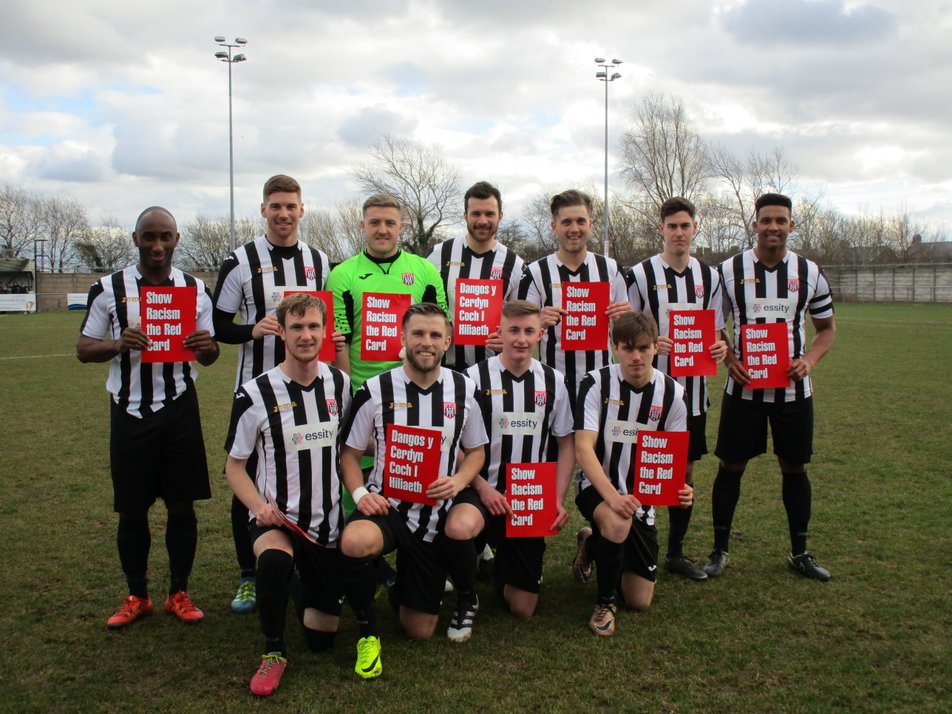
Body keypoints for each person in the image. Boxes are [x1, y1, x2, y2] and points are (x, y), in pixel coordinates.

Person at [225, 293, 380, 696]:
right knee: (274, 559)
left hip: (326, 525)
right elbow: (234, 467)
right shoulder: (255, 393)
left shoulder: (340, 383)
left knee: (322, 636)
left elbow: (354, 446)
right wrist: (259, 507)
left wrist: (396, 446)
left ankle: (300, 586)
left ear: (325, 332)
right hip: (278, 518)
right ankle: (273, 651)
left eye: (313, 326)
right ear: (283, 332)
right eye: (297, 327)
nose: (306, 335)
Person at [77, 206, 219, 630]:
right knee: (132, 509)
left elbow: (210, 356)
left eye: (165, 237)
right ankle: (137, 594)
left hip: (178, 404)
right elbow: (84, 348)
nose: (157, 246)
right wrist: (118, 345)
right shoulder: (108, 288)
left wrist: (204, 346)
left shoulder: (194, 289)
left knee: (181, 504)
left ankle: (179, 591)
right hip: (129, 408)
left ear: (177, 240)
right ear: (135, 239)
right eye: (149, 237)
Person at [213, 174, 333, 614]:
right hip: (258, 389)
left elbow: (324, 320)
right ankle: (250, 573)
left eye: (291, 206)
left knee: (309, 470)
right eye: (275, 206)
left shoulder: (319, 261)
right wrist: (252, 328)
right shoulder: (240, 260)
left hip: (308, 388)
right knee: (248, 476)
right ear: (263, 210)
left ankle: (305, 556)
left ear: (302, 210)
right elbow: (217, 325)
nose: (284, 214)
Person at [703, 192, 836, 581]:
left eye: (781, 220)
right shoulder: (729, 271)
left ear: (791, 225)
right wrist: (729, 359)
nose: (773, 227)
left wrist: (808, 362)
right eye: (766, 220)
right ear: (754, 223)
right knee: (731, 466)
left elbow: (826, 330)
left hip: (792, 392)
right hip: (744, 390)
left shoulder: (809, 272)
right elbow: (712, 324)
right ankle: (719, 551)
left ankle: (800, 552)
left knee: (795, 467)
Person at [338, 303, 488, 641]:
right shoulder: (375, 390)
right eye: (418, 333)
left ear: (447, 342)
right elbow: (349, 454)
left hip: (437, 509)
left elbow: (477, 452)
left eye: (435, 335)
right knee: (354, 540)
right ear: (402, 337)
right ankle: (367, 626)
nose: (426, 342)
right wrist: (361, 495)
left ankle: (430, 589)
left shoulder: (464, 389)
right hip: (388, 504)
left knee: (419, 630)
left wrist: (459, 481)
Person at [441, 300, 574, 632]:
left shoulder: (554, 381)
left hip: (529, 497)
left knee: (523, 609)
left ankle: (501, 569)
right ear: (499, 332)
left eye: (529, 331)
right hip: (480, 491)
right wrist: (482, 487)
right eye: (513, 330)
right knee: (460, 526)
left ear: (540, 334)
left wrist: (556, 499)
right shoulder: (472, 378)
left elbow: (566, 442)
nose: (521, 339)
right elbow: (453, 441)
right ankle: (465, 592)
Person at [571, 312, 694, 637]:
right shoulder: (596, 383)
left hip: (643, 501)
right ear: (614, 348)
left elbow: (673, 458)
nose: (636, 356)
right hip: (598, 488)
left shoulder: (673, 395)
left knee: (639, 600)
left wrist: (680, 489)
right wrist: (613, 497)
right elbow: (583, 448)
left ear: (656, 347)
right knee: (616, 520)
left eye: (643, 347)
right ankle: (605, 603)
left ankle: (593, 544)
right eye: (627, 348)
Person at [626, 197, 729, 580]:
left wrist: (721, 346)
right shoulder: (639, 274)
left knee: (682, 472)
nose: (679, 233)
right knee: (636, 467)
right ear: (662, 229)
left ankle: (676, 552)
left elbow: (717, 330)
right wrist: (651, 341)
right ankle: (629, 543)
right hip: (647, 391)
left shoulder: (711, 276)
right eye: (672, 226)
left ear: (694, 228)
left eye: (685, 226)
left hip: (692, 395)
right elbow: (624, 332)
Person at [517, 189, 629, 408]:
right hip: (554, 385)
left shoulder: (611, 269)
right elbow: (520, 331)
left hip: (602, 384)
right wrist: (537, 321)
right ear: (554, 227)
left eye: (580, 221)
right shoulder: (536, 272)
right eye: (567, 222)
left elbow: (624, 333)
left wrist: (624, 318)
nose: (574, 229)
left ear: (591, 224)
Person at [327, 193, 447, 392]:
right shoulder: (341, 274)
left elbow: (443, 330)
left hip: (413, 388)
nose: (382, 230)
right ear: (362, 225)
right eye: (374, 222)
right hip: (361, 390)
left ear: (401, 227)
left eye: (390, 223)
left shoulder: (425, 271)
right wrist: (346, 394)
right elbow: (341, 341)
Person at [426, 181, 525, 369]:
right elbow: (419, 308)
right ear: (465, 216)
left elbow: (520, 320)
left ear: (500, 216)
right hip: (444, 368)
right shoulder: (439, 254)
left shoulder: (515, 265)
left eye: (489, 214)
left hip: (493, 370)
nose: (482, 221)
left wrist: (508, 338)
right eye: (476, 213)